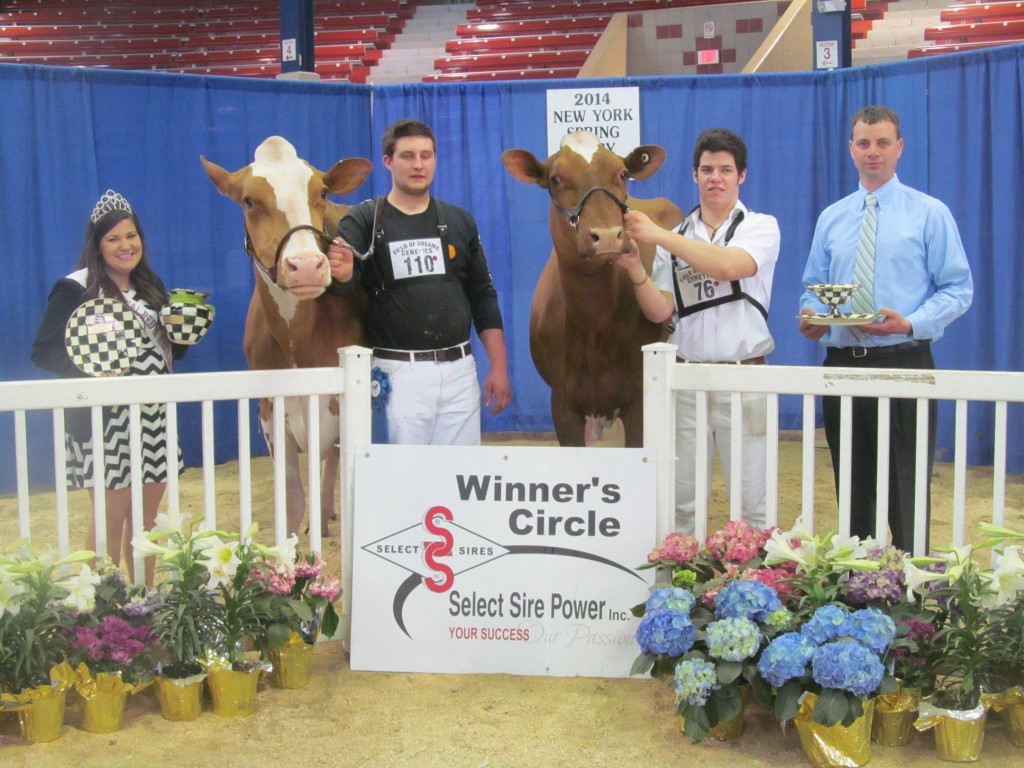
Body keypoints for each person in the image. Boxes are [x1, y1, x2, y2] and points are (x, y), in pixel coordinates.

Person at [798, 105, 973, 553]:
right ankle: (858, 595)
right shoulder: (832, 217)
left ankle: (912, 592)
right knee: (853, 486)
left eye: (881, 143)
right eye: (863, 143)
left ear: (899, 148)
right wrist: (813, 317)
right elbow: (812, 288)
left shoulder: (930, 213)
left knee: (906, 487)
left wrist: (912, 322)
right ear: (851, 149)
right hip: (841, 365)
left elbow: (958, 288)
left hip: (905, 360)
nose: (872, 152)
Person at [621, 128, 780, 534]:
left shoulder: (760, 227)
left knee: (752, 499)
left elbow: (729, 266)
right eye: (707, 169)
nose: (716, 177)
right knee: (683, 499)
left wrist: (658, 236)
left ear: (741, 176)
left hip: (744, 375)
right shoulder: (677, 237)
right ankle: (682, 586)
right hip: (688, 377)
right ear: (694, 175)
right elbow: (661, 309)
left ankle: (755, 587)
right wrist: (635, 270)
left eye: (726, 169)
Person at [31, 189, 188, 584]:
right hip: (104, 423)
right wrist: (95, 374)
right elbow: (44, 350)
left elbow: (171, 354)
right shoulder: (75, 288)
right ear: (97, 244)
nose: (125, 246)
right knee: (109, 522)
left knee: (147, 522)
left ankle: (144, 602)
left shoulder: (152, 287)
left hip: (154, 420)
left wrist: (187, 332)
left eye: (131, 236)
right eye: (113, 238)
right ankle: (97, 616)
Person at [325, 118, 511, 445]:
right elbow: (343, 279)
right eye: (407, 156)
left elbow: (483, 296)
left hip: (459, 372)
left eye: (426, 155)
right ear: (388, 161)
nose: (418, 164)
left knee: (459, 481)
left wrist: (498, 367)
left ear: (435, 160)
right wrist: (340, 270)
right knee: (404, 481)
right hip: (398, 376)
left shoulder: (460, 221)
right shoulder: (365, 219)